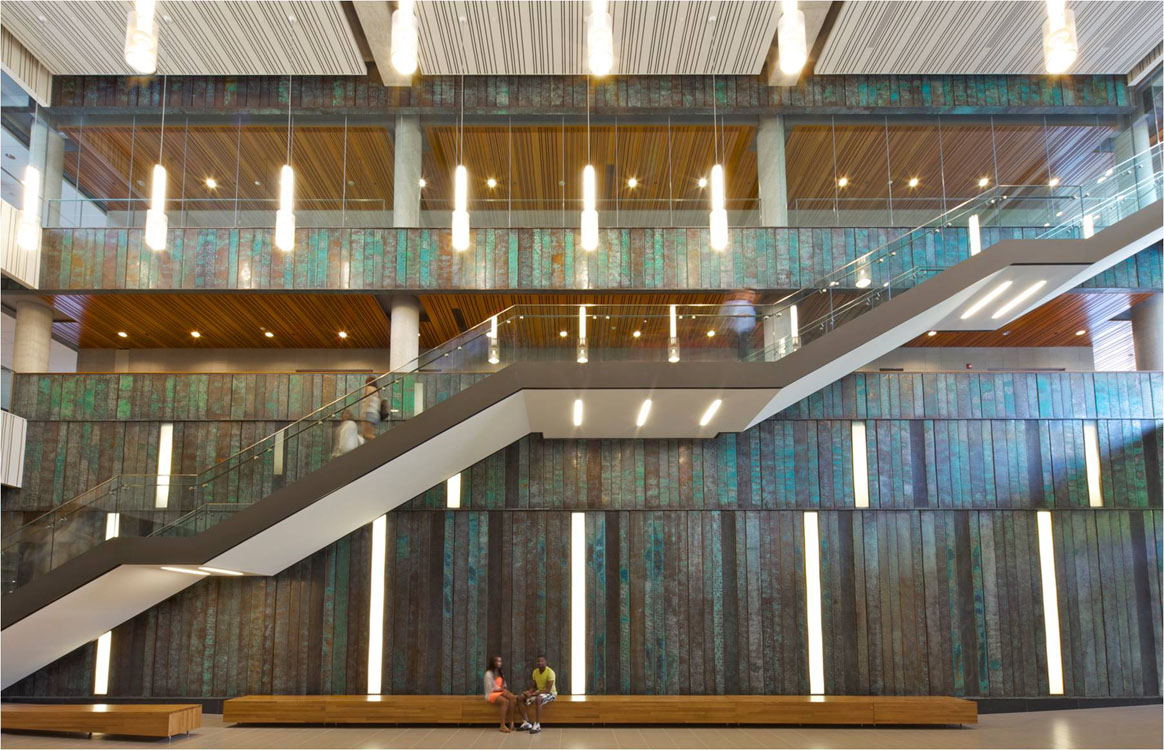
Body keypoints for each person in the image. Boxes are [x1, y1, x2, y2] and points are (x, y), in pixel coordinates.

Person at [483, 655, 527, 733]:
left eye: (500, 661)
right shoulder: (488, 673)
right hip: (491, 694)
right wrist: (501, 689)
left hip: (500, 691)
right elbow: (489, 689)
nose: (498, 663)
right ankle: (502, 725)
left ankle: (511, 722)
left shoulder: (500, 672)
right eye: (496, 661)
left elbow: (504, 684)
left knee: (512, 697)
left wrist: (503, 688)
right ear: (492, 663)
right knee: (505, 701)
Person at [517, 655, 556, 734]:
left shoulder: (550, 672)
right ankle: (526, 723)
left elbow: (548, 690)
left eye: (542, 661)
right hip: (539, 692)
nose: (540, 663)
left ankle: (537, 724)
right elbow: (534, 686)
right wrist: (529, 692)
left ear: (546, 662)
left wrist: (534, 693)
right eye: (538, 661)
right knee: (520, 697)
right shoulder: (535, 672)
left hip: (550, 693)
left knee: (538, 699)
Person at [719, 289, 758, 359]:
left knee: (744, 349)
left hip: (746, 332)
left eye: (753, 294)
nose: (752, 296)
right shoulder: (739, 303)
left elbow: (751, 319)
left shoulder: (750, 305)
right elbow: (732, 315)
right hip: (735, 331)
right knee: (739, 349)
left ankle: (743, 361)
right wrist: (740, 315)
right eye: (750, 294)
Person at [359, 376, 381, 441]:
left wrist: (363, 413)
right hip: (375, 415)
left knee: (366, 435)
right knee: (370, 435)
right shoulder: (377, 391)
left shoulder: (369, 388)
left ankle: (381, 444)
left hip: (368, 413)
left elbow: (368, 400)